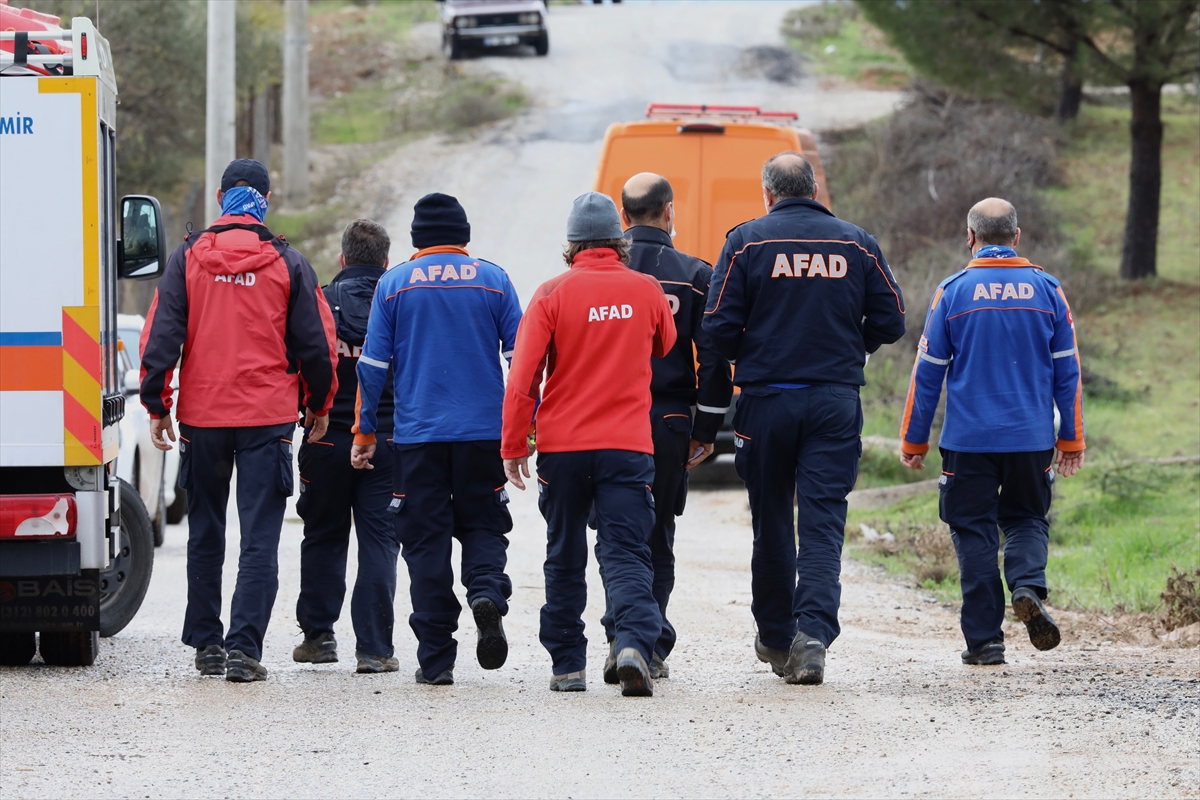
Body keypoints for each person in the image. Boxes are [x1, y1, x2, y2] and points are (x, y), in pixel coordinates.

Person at [703, 152, 906, 686]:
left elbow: (717, 327)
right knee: (822, 523)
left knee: (771, 517)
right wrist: (848, 346)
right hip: (835, 403)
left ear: (768, 193)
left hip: (767, 402)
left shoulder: (746, 241)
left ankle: (774, 635)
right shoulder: (856, 241)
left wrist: (758, 350)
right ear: (814, 190)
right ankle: (812, 635)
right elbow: (892, 319)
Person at [139, 158, 338, 683]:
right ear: (265, 201)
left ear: (221, 197)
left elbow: (161, 335)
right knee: (258, 538)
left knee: (205, 532)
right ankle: (244, 651)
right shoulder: (287, 261)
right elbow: (317, 344)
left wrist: (158, 403)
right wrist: (320, 404)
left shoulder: (187, 258)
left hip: (203, 415)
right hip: (267, 418)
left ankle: (207, 645)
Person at [502, 192, 677, 697]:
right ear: (618, 240)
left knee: (564, 554)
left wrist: (515, 444)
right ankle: (632, 646)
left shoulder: (552, 293)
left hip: (564, 448)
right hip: (626, 446)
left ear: (572, 243)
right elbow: (665, 344)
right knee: (625, 551)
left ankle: (567, 666)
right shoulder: (646, 289)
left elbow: (522, 378)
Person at [899, 197, 1084, 666]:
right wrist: (1072, 438)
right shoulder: (1048, 290)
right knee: (1026, 519)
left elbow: (927, 373)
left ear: (971, 237)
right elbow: (1069, 371)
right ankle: (1026, 586)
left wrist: (914, 440)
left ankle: (984, 642)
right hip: (1032, 439)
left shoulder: (953, 292)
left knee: (973, 528)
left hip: (968, 442)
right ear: (1017, 237)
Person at [352, 193, 522, 687]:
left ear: (415, 239)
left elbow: (373, 366)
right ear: (464, 235)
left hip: (418, 437)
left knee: (424, 542)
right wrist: (522, 429)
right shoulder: (494, 280)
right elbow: (521, 358)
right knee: (485, 524)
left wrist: (365, 430)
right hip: (483, 435)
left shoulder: (394, 284)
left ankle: (436, 659)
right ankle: (486, 591)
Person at [594, 173, 733, 684]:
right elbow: (713, 360)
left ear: (624, 219)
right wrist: (707, 425)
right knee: (657, 534)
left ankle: (623, 636)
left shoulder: (604, 276)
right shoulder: (695, 275)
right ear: (669, 213)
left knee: (616, 535)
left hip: (608, 421)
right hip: (670, 422)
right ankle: (648, 645)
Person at [291, 219, 402, 674]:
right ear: (385, 262)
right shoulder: (399, 302)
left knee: (322, 536)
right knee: (380, 542)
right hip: (388, 438)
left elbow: (297, 360)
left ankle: (318, 637)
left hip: (325, 436)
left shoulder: (319, 300)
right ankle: (374, 648)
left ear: (342, 260)